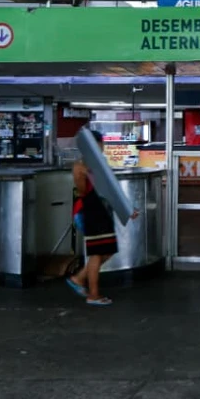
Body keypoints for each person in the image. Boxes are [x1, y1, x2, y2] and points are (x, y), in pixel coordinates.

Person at [67, 131, 136, 306]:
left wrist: (127, 209)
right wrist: (84, 174)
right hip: (89, 212)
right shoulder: (80, 166)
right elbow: (83, 192)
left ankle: (79, 278)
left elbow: (110, 191)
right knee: (97, 253)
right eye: (100, 144)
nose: (103, 148)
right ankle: (93, 294)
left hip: (100, 212)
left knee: (107, 250)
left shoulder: (99, 165)